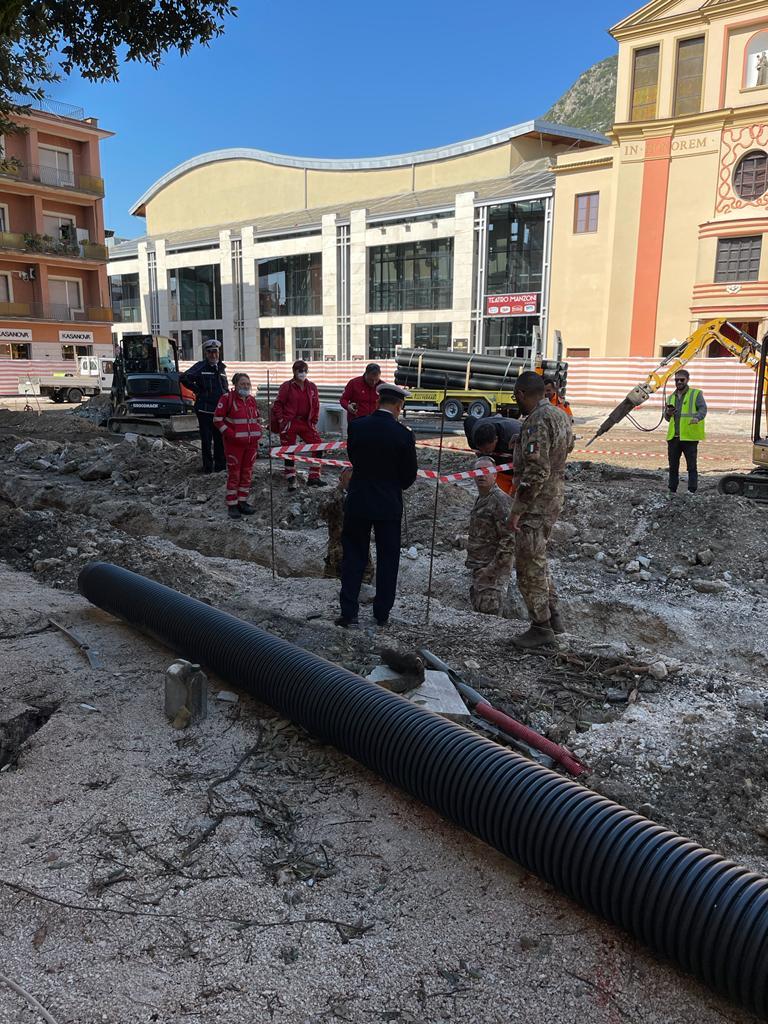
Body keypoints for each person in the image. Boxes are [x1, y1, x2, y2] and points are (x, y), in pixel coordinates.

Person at [338, 382, 418, 628]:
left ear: (377, 402)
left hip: (359, 500)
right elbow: (409, 476)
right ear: (398, 405)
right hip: (388, 504)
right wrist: (393, 486)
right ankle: (381, 613)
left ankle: (349, 612)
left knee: (353, 556)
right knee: (388, 559)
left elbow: (354, 459)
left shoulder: (357, 427)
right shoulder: (404, 435)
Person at [508, 370, 573, 649]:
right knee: (539, 561)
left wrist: (517, 509)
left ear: (523, 394)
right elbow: (565, 449)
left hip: (536, 503)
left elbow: (536, 470)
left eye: (516, 397)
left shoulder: (536, 420)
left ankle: (540, 627)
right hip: (554, 497)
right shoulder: (560, 415)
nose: (516, 402)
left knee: (528, 565)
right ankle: (553, 618)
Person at [466, 456, 514, 616]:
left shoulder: (500, 500)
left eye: (486, 471)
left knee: (489, 618)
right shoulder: (482, 498)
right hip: (479, 567)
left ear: (495, 475)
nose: (481, 475)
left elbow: (510, 539)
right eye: (478, 471)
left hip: (492, 572)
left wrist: (492, 569)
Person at [213, 372, 262, 520]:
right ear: (235, 385)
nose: (245, 386)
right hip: (234, 445)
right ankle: (232, 504)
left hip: (251, 445)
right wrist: (229, 434)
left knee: (247, 474)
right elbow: (217, 419)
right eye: (242, 384)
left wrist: (258, 431)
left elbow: (257, 418)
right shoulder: (227, 399)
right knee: (235, 474)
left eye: (248, 384)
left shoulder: (252, 400)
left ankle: (242, 502)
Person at [272, 360, 325, 490]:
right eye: (299, 370)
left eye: (305, 370)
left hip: (305, 422)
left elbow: (316, 404)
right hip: (290, 422)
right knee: (289, 449)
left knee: (318, 445)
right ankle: (291, 477)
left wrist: (314, 420)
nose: (302, 373)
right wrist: (281, 421)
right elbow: (278, 404)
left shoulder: (312, 387)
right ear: (294, 372)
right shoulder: (287, 386)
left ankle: (314, 476)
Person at [181, 339, 228, 473]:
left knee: (220, 441)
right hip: (205, 411)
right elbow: (184, 378)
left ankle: (220, 468)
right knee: (207, 441)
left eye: (215, 352)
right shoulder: (201, 367)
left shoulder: (222, 368)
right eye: (210, 352)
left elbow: (224, 389)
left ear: (219, 353)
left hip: (219, 412)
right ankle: (207, 469)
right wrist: (198, 390)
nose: (213, 355)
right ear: (206, 354)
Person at [319, 468, 373, 582]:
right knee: (333, 580)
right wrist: (338, 494)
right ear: (340, 480)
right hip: (339, 546)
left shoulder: (362, 494)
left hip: (359, 544)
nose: (352, 482)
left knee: (365, 575)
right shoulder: (334, 496)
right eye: (348, 479)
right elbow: (322, 512)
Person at [663, 369, 706, 495]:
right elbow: (666, 418)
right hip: (674, 437)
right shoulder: (671, 397)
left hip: (689, 437)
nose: (679, 382)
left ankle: (692, 490)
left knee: (691, 466)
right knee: (673, 466)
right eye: (677, 380)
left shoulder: (696, 394)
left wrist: (697, 417)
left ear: (687, 380)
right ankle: (672, 489)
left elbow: (703, 409)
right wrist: (668, 413)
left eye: (682, 379)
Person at [464, 415, 522, 495]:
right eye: (481, 449)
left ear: (496, 439)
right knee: (499, 496)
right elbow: (469, 420)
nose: (484, 453)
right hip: (500, 470)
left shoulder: (514, 436)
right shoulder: (474, 431)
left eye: (487, 450)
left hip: (517, 469)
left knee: (517, 496)